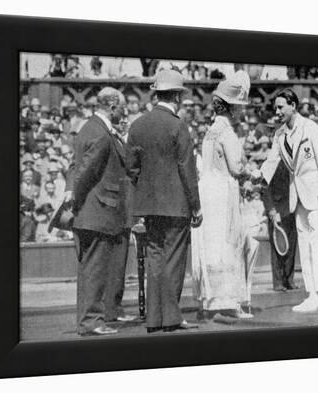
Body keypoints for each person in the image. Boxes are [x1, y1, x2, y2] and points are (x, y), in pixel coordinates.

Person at [127, 69, 202, 333]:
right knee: (174, 262)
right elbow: (187, 169)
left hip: (149, 206)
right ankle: (171, 318)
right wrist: (196, 205)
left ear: (157, 93)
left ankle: (154, 319)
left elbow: (132, 168)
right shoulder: (178, 126)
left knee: (155, 260)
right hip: (177, 204)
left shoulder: (137, 125)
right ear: (178, 96)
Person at [260, 89, 318, 313]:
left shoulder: (310, 128)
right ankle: (312, 294)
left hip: (317, 196)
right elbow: (271, 162)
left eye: (281, 107)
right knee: (305, 244)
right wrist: (254, 175)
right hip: (298, 197)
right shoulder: (279, 134)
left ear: (293, 106)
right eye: (275, 107)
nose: (277, 111)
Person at [71, 87, 135, 336]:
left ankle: (95, 318)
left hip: (94, 210)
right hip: (97, 210)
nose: (124, 111)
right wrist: (77, 200)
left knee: (93, 268)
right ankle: (91, 322)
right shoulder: (100, 133)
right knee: (94, 269)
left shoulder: (93, 128)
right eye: (121, 107)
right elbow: (84, 173)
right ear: (111, 106)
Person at [190, 76, 255, 321]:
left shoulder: (209, 131)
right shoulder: (227, 132)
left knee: (213, 244)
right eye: (239, 106)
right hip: (223, 192)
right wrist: (251, 171)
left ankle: (210, 300)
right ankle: (228, 302)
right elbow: (237, 167)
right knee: (228, 243)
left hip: (208, 191)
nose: (241, 111)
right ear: (232, 107)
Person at [262, 159, 298, 291]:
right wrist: (271, 209)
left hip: (292, 211)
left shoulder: (293, 163)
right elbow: (264, 189)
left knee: (292, 248)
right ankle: (278, 282)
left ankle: (289, 280)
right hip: (276, 212)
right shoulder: (269, 165)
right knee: (278, 249)